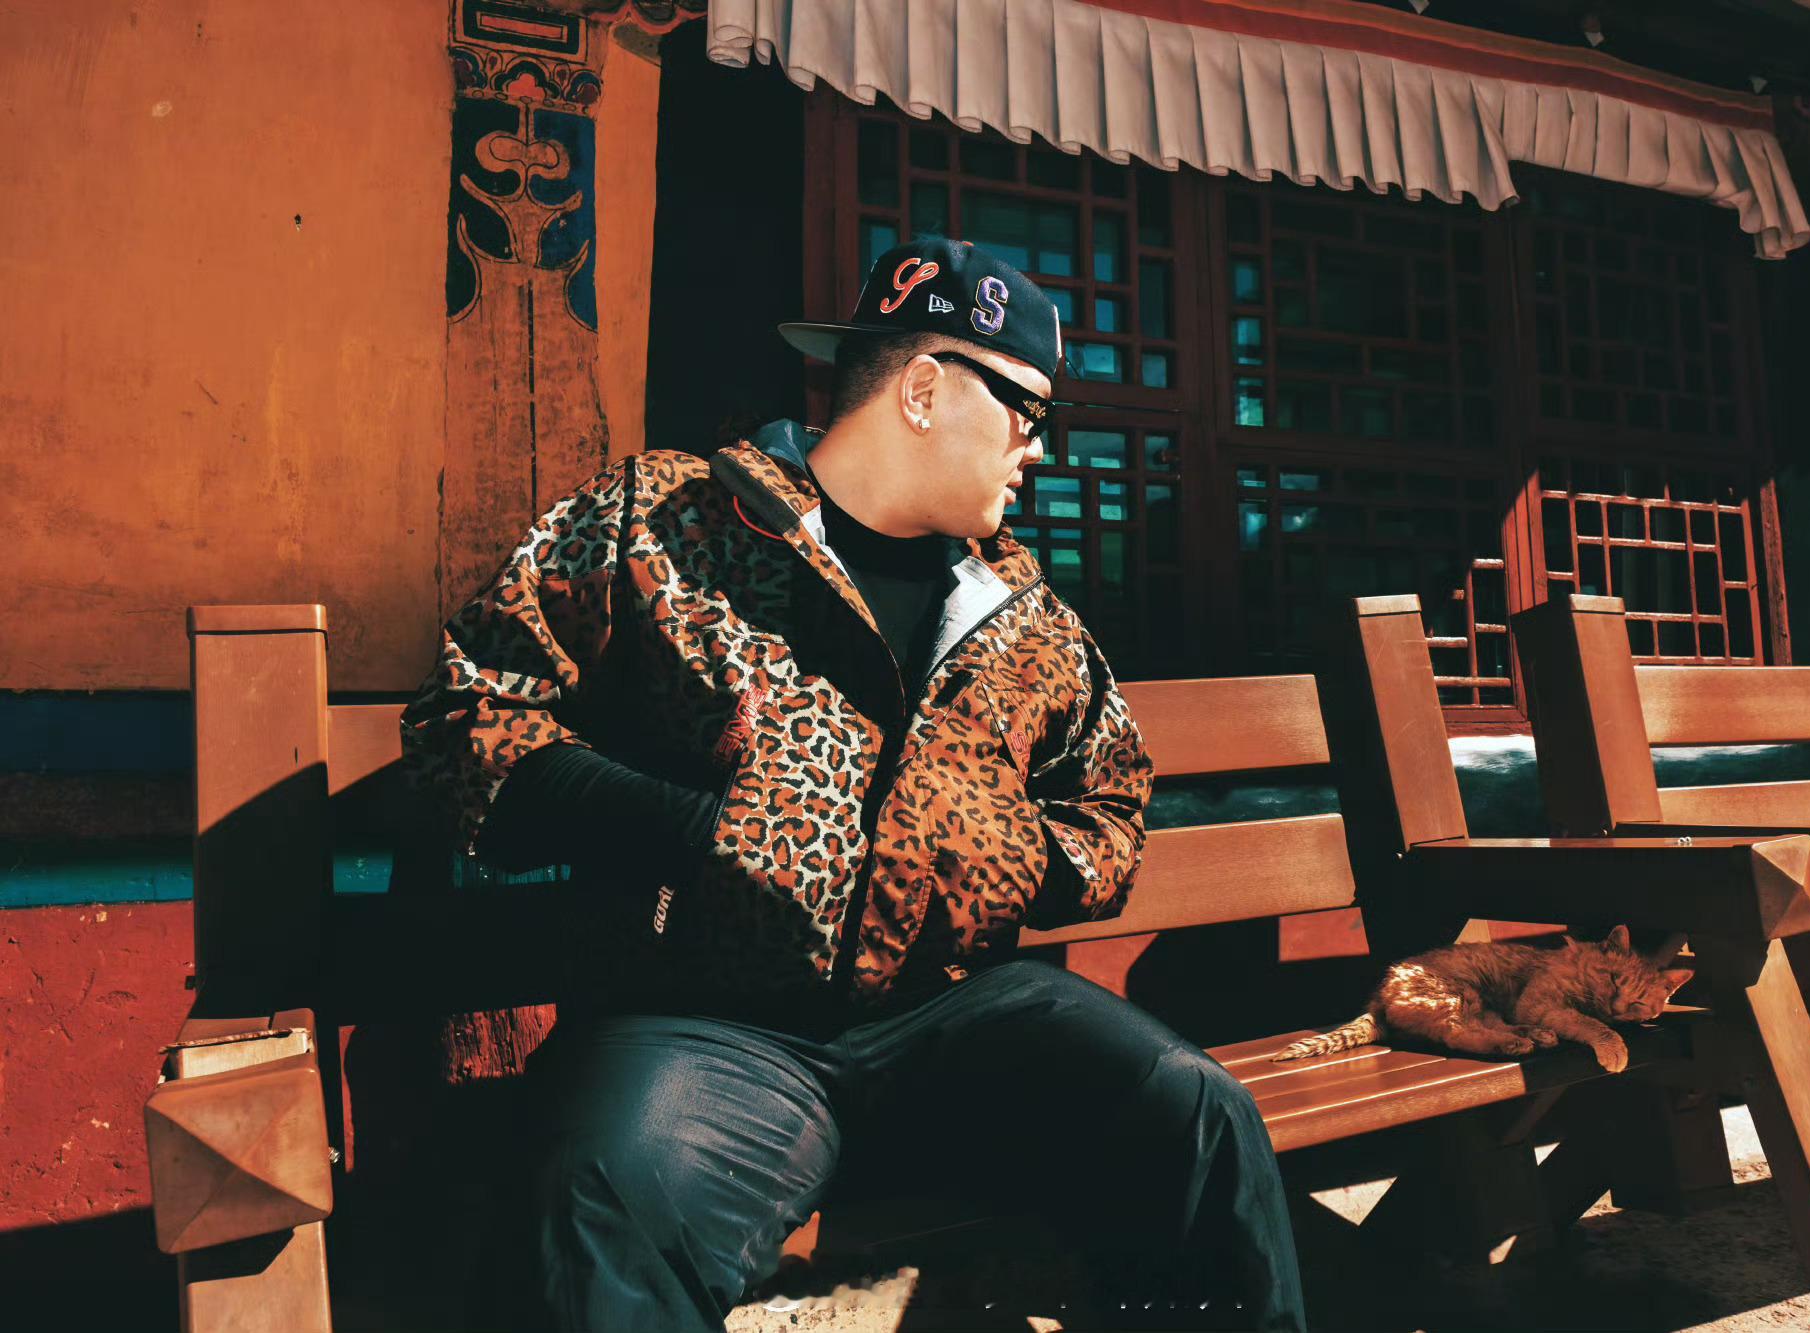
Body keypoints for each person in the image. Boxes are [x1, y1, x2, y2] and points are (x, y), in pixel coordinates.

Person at [401, 237, 1308, 1332]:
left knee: (1197, 1119)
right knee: (603, 1199)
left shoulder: (1021, 612)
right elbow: (466, 715)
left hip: (954, 1015)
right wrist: (688, 826)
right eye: (1028, 412)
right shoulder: (665, 521)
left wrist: (997, 851)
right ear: (923, 389)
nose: (1040, 449)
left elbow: (1109, 807)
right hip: (708, 1030)